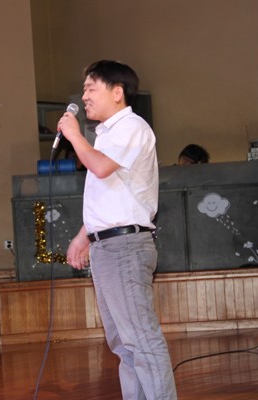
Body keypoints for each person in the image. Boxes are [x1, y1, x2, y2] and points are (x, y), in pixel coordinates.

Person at [57, 60, 178, 399]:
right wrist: (83, 236)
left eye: (90, 88)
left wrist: (74, 135)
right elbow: (111, 194)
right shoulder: (107, 134)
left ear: (117, 92)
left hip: (125, 248)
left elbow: (100, 168)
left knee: (141, 340)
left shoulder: (131, 126)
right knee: (124, 344)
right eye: (83, 89)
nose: (84, 96)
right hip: (107, 247)